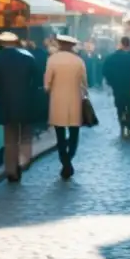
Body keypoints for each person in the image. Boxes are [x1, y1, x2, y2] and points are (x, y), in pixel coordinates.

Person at [0, 32, 41, 182]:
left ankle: (11, 170)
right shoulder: (27, 58)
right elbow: (36, 82)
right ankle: (24, 160)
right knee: (25, 135)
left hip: (5, 103)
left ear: (1, 43)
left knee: (10, 139)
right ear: (16, 42)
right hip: (26, 102)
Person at [45, 34, 87, 179]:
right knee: (74, 133)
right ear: (71, 46)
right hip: (75, 100)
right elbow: (84, 84)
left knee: (60, 134)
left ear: (60, 44)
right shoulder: (78, 61)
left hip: (57, 101)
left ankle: (65, 162)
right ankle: (69, 157)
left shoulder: (52, 60)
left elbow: (46, 84)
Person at [102, 36, 130, 137]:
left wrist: (111, 82)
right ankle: (129, 124)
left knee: (120, 107)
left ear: (121, 44)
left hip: (118, 87)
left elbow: (105, 71)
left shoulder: (112, 57)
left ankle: (122, 126)